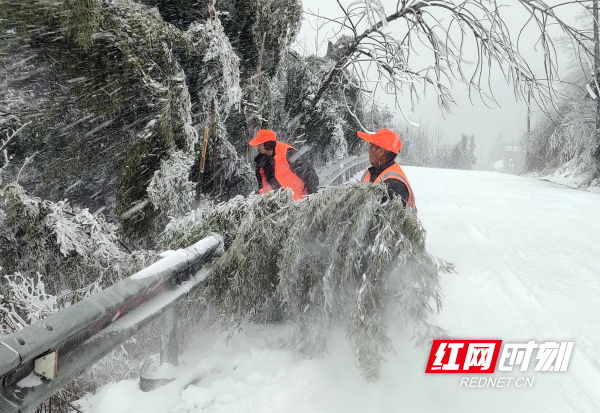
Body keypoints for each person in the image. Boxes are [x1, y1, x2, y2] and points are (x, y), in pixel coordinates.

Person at [357, 128, 417, 212]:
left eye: (371, 145)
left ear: (380, 151)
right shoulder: (371, 172)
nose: (369, 151)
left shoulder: (394, 185)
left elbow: (381, 221)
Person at [249, 129, 319, 201]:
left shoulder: (288, 153)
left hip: (300, 201)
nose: (258, 146)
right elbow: (264, 185)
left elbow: (310, 174)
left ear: (267, 144)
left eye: (260, 144)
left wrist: (312, 197)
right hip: (280, 204)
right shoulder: (262, 161)